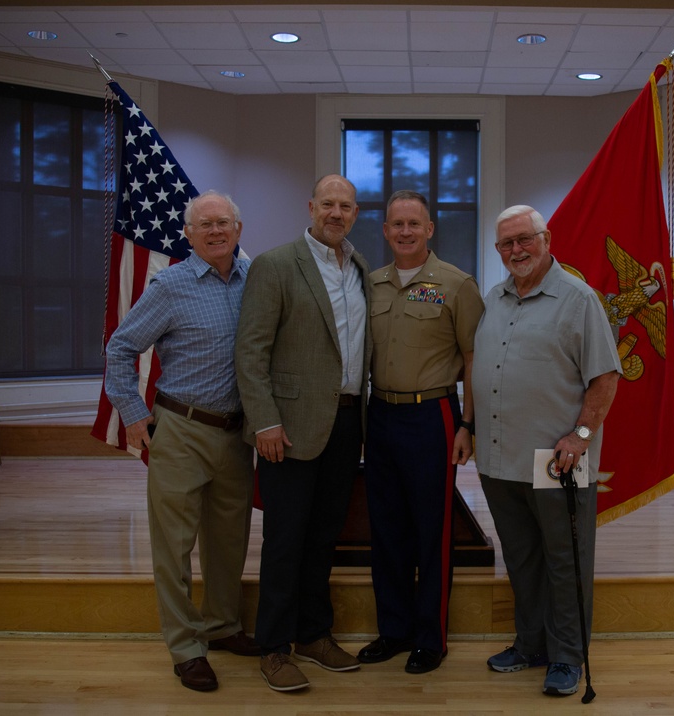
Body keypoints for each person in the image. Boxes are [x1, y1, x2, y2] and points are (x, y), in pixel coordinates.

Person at [104, 191, 259, 693]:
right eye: (204, 224)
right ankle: (186, 647)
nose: (215, 231)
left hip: (237, 435)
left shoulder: (258, 280)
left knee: (228, 541)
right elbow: (120, 347)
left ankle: (222, 626)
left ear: (239, 228)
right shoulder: (169, 286)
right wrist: (132, 413)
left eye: (224, 223)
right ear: (188, 234)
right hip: (181, 431)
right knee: (174, 546)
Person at [473, 205, 621, 697]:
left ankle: (567, 656)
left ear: (546, 238)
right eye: (506, 244)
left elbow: (605, 376)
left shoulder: (579, 299)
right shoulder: (493, 299)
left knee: (565, 560)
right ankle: (532, 644)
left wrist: (580, 436)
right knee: (522, 558)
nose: (515, 250)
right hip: (498, 459)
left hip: (557, 462)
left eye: (524, 239)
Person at [235, 174, 371, 693]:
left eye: (346, 206)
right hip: (286, 429)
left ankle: (314, 635)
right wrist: (265, 420)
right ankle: (273, 647)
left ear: (355, 214)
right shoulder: (275, 265)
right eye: (328, 204)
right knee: (285, 540)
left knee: (322, 538)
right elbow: (251, 352)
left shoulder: (358, 267)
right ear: (311, 207)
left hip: (344, 424)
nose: (336, 213)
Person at [358, 190, 484, 674]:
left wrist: (467, 424)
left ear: (430, 229)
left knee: (433, 531)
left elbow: (473, 360)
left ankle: (431, 638)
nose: (405, 232)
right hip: (381, 416)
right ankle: (393, 629)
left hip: (433, 416)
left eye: (415, 223)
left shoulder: (455, 285)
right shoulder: (371, 285)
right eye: (397, 225)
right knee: (386, 531)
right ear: (386, 231)